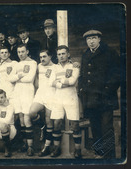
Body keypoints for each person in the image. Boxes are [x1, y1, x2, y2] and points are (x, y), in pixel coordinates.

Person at [78, 30, 120, 158]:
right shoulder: (85, 54)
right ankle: (99, 153)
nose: (91, 41)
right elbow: (83, 75)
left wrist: (107, 90)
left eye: (94, 38)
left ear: (99, 39)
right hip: (90, 99)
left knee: (106, 128)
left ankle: (109, 156)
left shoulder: (110, 52)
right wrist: (81, 89)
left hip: (105, 98)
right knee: (95, 127)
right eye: (88, 39)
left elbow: (117, 74)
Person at [49, 45, 82, 158]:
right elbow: (50, 82)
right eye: (59, 54)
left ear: (68, 54)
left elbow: (73, 81)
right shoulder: (54, 67)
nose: (61, 56)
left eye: (63, 53)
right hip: (58, 98)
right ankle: (56, 149)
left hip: (71, 97)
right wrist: (61, 84)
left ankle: (78, 150)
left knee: (75, 125)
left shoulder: (74, 66)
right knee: (56, 123)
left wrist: (59, 81)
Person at [11, 44, 37, 156]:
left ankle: (31, 146)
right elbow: (11, 78)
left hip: (27, 91)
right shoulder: (17, 64)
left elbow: (30, 78)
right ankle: (24, 144)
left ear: (27, 51)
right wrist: (19, 77)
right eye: (19, 52)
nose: (21, 54)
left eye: (22, 51)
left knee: (27, 118)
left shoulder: (33, 63)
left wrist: (18, 77)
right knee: (21, 118)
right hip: (18, 91)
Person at [29, 50, 55, 157]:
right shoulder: (39, 66)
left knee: (49, 121)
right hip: (40, 94)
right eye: (40, 57)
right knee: (32, 112)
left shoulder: (56, 67)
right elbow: (37, 80)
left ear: (50, 56)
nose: (42, 59)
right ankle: (41, 125)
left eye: (44, 56)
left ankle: (47, 147)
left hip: (51, 95)